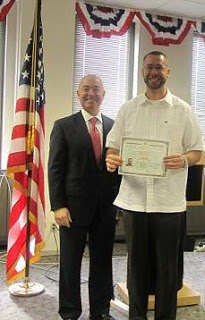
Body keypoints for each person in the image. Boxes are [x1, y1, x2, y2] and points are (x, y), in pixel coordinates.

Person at [105, 51, 203, 320]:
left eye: (158, 67)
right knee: (136, 268)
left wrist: (183, 160)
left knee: (167, 270)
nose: (153, 72)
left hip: (169, 203)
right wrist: (111, 159)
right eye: (149, 67)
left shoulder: (184, 111)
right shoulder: (128, 109)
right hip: (134, 200)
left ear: (167, 71)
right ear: (142, 72)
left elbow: (197, 151)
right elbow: (113, 146)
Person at [48, 75, 120, 320]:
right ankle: (69, 311)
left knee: (103, 262)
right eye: (86, 89)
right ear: (78, 94)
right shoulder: (63, 126)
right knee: (70, 263)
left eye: (96, 89)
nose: (91, 93)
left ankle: (101, 311)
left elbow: (119, 170)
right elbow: (55, 169)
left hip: (106, 209)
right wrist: (58, 205)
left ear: (104, 93)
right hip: (73, 209)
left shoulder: (115, 127)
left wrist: (119, 204)